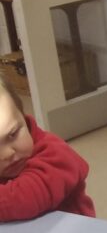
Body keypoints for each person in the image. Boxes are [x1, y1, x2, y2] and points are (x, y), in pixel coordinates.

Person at [0, 74, 95, 221]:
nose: (7, 154)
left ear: (23, 116)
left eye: (12, 135)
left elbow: (25, 199)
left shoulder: (55, 153)